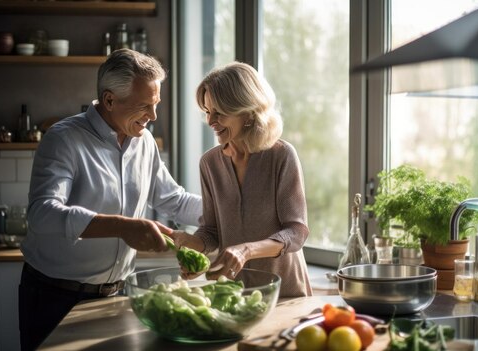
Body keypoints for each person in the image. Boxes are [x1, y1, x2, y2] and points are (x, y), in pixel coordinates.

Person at [18, 49, 201, 351]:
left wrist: (229, 213)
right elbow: (42, 213)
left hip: (117, 296)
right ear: (109, 100)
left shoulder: (145, 144)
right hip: (54, 299)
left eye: (156, 105)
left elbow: (175, 201)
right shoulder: (63, 138)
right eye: (144, 106)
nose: (153, 116)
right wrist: (122, 226)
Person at [171, 62, 312, 297]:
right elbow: (212, 230)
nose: (210, 121)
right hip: (233, 294)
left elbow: (296, 232)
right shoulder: (210, 163)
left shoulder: (281, 155)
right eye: (207, 111)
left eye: (219, 113)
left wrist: (247, 250)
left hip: (284, 292)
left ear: (247, 112)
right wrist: (193, 245)